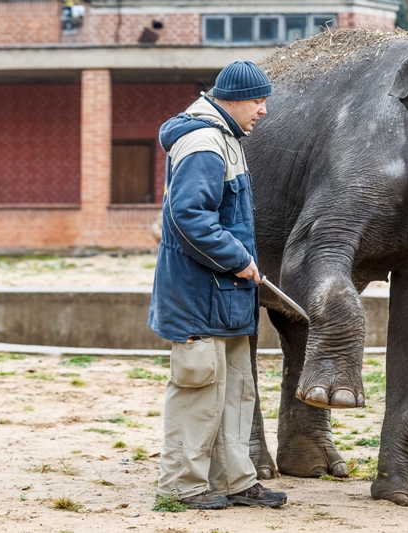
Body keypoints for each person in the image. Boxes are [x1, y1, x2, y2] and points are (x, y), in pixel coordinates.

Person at [148, 61, 287, 510]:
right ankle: (182, 487)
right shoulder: (205, 142)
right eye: (257, 100)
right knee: (198, 391)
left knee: (235, 393)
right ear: (231, 98)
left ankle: (235, 480)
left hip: (225, 295)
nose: (263, 110)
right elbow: (188, 217)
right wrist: (238, 259)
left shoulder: (226, 137)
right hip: (198, 294)